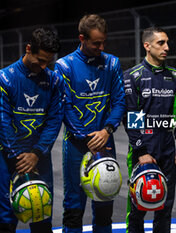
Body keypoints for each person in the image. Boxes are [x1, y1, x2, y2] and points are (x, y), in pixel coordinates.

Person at [54, 14, 125, 233]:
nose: (101, 47)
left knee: (105, 200)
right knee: (74, 206)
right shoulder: (64, 66)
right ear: (82, 38)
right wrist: (89, 138)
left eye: (104, 42)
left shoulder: (112, 63)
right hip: (76, 145)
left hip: (106, 140)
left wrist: (107, 130)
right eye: (96, 43)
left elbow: (120, 101)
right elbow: (65, 108)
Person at [0, 27, 63, 233]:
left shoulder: (55, 81)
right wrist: (21, 158)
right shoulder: (2, 78)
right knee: (5, 223)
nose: (43, 66)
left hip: (40, 157)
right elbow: (3, 123)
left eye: (48, 62)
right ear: (28, 48)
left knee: (41, 221)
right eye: (40, 60)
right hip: (8, 159)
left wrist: (36, 153)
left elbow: (54, 120)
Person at [123, 27, 176, 233]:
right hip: (144, 147)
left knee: (165, 206)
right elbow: (132, 116)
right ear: (147, 46)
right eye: (161, 43)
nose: (166, 47)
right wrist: (141, 151)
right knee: (139, 205)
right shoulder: (133, 76)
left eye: (167, 43)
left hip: (167, 146)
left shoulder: (175, 76)